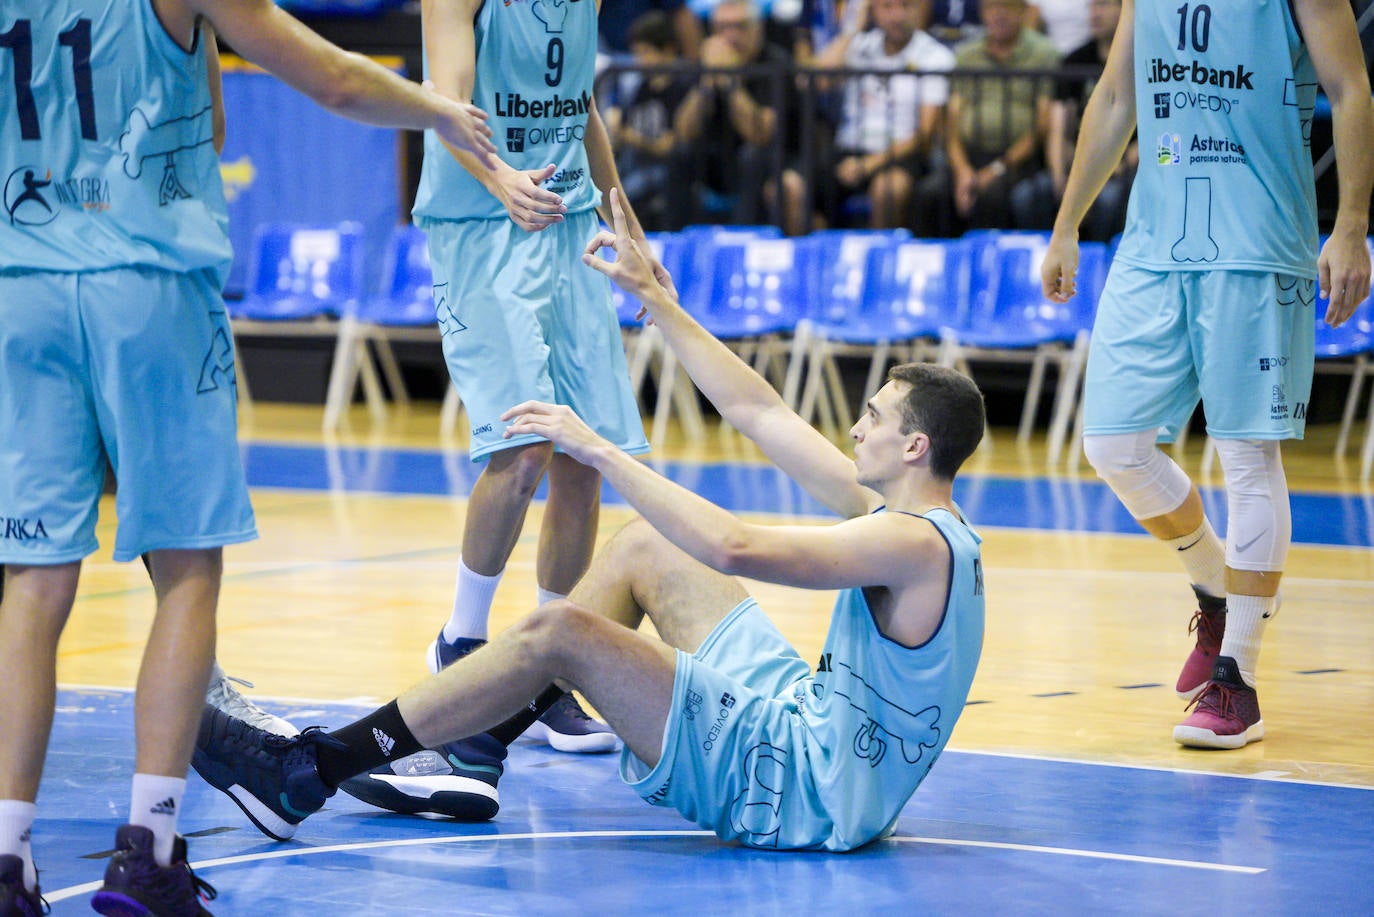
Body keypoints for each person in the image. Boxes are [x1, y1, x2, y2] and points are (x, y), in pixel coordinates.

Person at [192, 187, 988, 854]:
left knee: (560, 631)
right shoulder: (917, 516)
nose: (854, 428)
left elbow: (732, 544)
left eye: (873, 417)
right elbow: (760, 407)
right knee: (643, 548)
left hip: (799, 790)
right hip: (812, 734)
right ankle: (474, 747)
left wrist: (600, 450)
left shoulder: (908, 543)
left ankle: (308, 772)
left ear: (914, 445)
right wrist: (657, 302)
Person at [0, 0, 496, 914]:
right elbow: (334, 78)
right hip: (145, 283)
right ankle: (148, 849)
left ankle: (5, 856)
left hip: (21, 284)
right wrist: (438, 108)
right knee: (188, 572)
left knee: (32, 584)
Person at [1041, 0, 1373, 748]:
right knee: (1114, 445)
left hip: (1259, 239)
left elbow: (1352, 90)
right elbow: (1118, 96)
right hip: (1153, 241)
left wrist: (1350, 226)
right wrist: (1066, 225)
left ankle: (1238, 680)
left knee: (1247, 455)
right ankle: (1217, 588)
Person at [383, 0, 673, 824]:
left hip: (569, 222)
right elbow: (446, 102)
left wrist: (628, 223)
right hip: (482, 222)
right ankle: (463, 642)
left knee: (587, 457)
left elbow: (579, 107)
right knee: (523, 452)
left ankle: (549, 669)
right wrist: (499, 177)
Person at [912, 0, 1060, 235]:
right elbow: (951, 122)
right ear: (981, 12)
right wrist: (962, 170)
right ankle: (933, 267)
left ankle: (987, 268)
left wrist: (997, 168)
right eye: (991, 7)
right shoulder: (967, 55)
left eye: (1006, 7)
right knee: (930, 194)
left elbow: (1042, 125)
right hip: (969, 157)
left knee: (992, 197)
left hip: (1017, 162)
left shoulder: (1044, 54)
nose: (998, 14)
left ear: (1022, 11)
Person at [674, 0, 819, 234]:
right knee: (681, 154)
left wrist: (730, 84)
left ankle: (745, 239)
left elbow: (761, 134)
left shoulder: (776, 63)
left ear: (757, 29)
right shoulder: (706, 63)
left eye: (739, 27)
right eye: (722, 28)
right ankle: (670, 242)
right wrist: (705, 85)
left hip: (775, 158)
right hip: (719, 161)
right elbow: (683, 131)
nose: (730, 36)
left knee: (752, 156)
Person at [812, 0, 955, 229]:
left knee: (887, 189)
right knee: (790, 186)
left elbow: (925, 133)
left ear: (919, 9)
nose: (897, 15)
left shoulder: (935, 56)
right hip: (849, 149)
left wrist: (868, 164)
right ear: (872, 11)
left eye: (905, 6)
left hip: (902, 154)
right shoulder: (859, 45)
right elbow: (818, 80)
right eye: (887, 6)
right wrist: (853, 29)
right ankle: (813, 260)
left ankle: (880, 262)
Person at [1014, 0, 1134, 237]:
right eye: (1091, 6)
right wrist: (1061, 178)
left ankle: (1101, 262)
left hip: (1122, 168)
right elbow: (1057, 130)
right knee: (1028, 195)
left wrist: (1121, 161)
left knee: (1110, 200)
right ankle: (1046, 262)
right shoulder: (1075, 61)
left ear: (1125, 9)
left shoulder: (1141, 60)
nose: (1094, 13)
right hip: (1079, 162)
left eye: (1103, 5)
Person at [603, 12, 695, 231]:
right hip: (636, 166)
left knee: (626, 191)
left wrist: (626, 135)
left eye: (646, 52)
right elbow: (621, 137)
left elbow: (668, 145)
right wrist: (613, 132)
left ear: (668, 50)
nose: (639, 61)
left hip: (669, 171)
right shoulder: (641, 88)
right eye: (636, 54)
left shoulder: (683, 85)